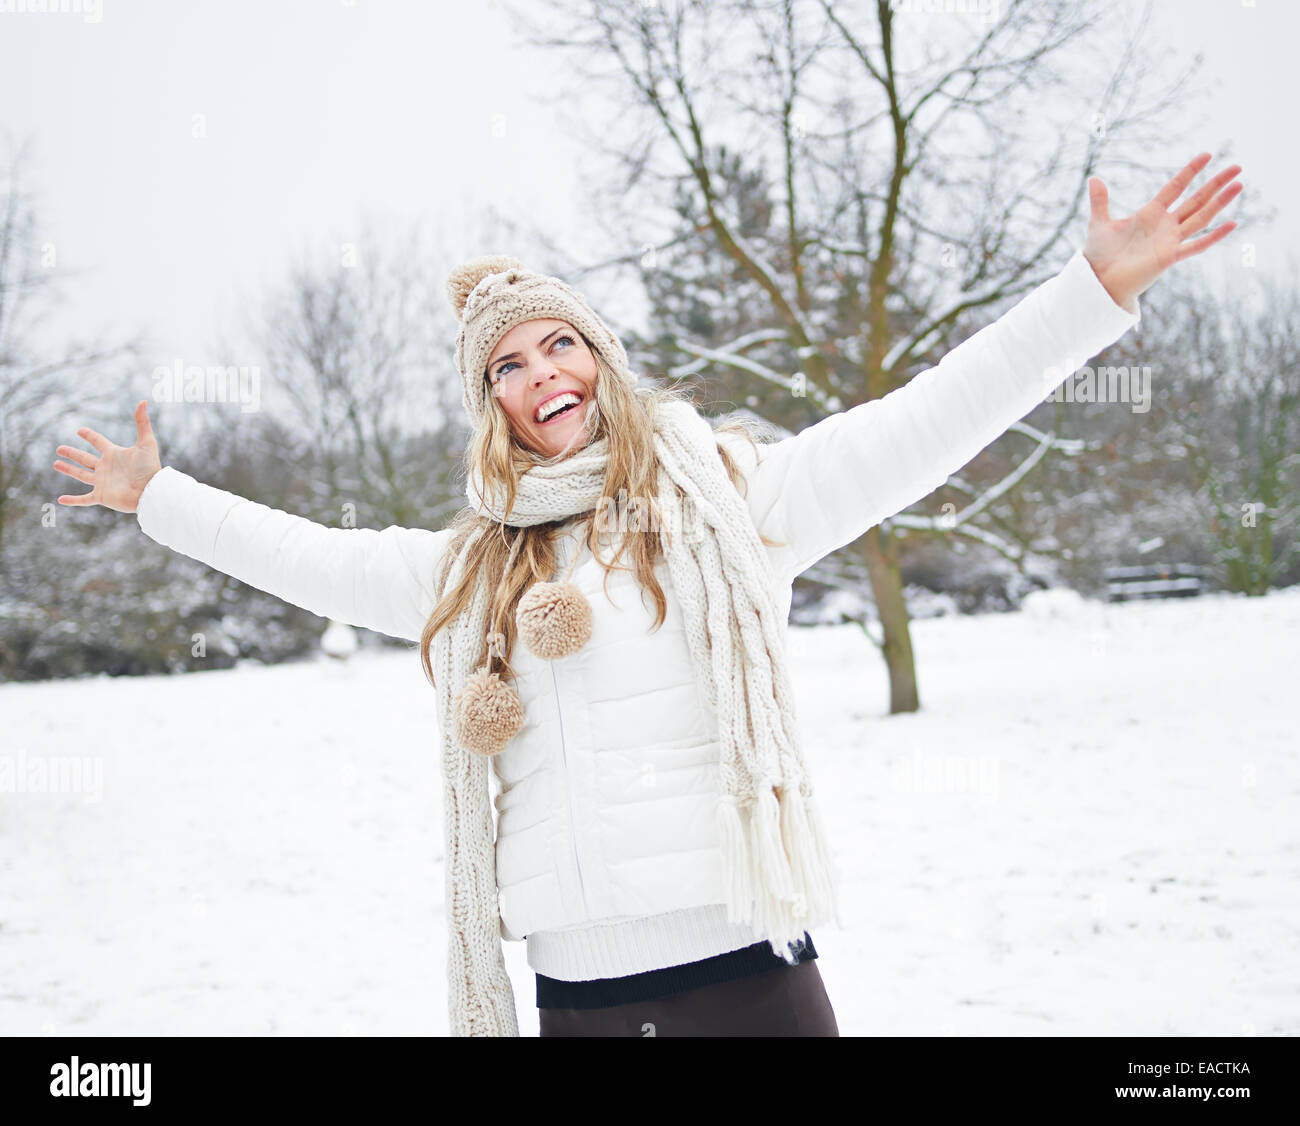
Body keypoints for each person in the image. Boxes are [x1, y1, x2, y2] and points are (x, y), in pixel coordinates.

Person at [53, 154, 1241, 1037]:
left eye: (557, 345)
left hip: (745, 974)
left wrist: (1092, 291)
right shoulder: (469, 566)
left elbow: (924, 420)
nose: (538, 376)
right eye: (506, 367)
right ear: (492, 404)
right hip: (575, 993)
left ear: (600, 358)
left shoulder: (726, 499)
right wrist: (160, 497)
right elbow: (311, 555)